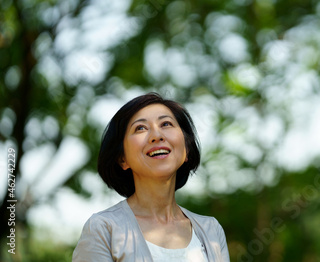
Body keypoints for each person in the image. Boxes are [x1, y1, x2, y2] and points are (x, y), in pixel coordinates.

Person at [72, 93, 230, 262]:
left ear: (186, 151)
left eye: (166, 124)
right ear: (122, 158)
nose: (157, 135)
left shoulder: (211, 230)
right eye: (140, 128)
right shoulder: (103, 229)